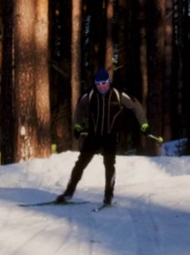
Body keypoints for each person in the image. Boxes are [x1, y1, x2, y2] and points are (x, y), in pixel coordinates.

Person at [55, 68, 149, 207]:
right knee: (81, 163)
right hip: (94, 135)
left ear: (108, 82)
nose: (101, 87)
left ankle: (108, 195)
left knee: (109, 164)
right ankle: (68, 193)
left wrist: (144, 124)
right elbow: (80, 108)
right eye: (98, 84)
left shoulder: (118, 93)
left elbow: (136, 106)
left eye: (104, 84)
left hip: (110, 136)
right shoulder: (91, 93)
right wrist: (78, 126)